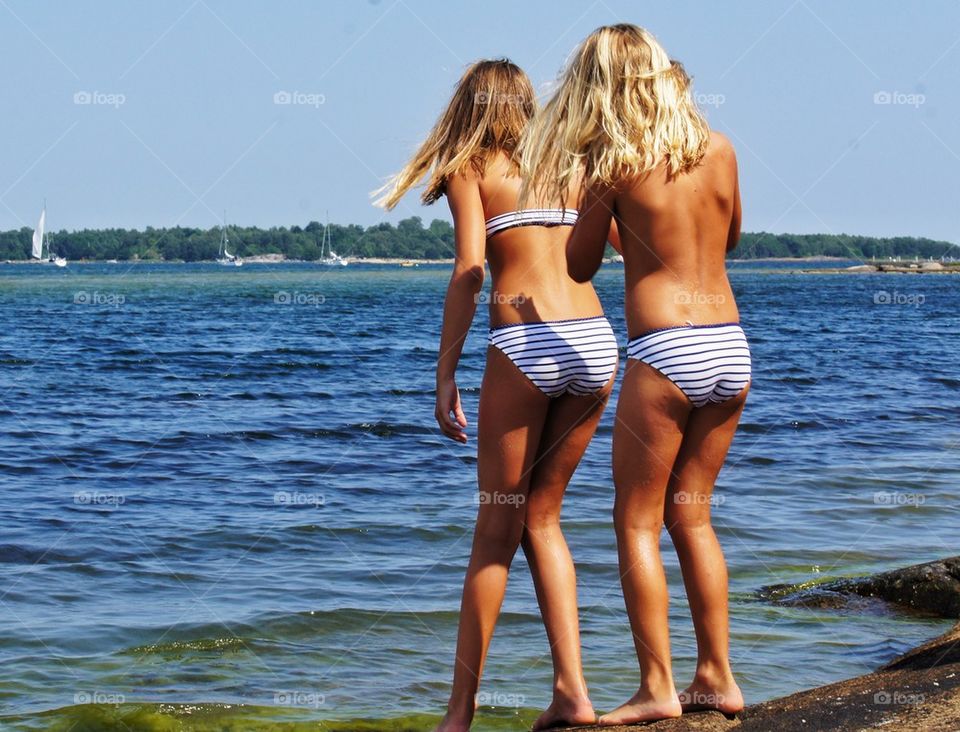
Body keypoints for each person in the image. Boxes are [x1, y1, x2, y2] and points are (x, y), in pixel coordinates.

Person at [375, 59, 620, 731]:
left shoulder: (470, 166)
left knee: (493, 533)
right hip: (596, 341)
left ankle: (458, 715)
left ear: (468, 108)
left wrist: (445, 371)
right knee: (543, 519)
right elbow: (618, 240)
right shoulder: (570, 161)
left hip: (526, 346)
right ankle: (574, 692)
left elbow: (470, 270)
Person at [521, 24, 750, 726]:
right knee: (695, 514)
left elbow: (581, 265)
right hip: (730, 347)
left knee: (636, 521)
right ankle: (718, 676)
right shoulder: (720, 150)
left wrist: (600, 206)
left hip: (667, 351)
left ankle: (657, 687)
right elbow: (730, 236)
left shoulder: (611, 166)